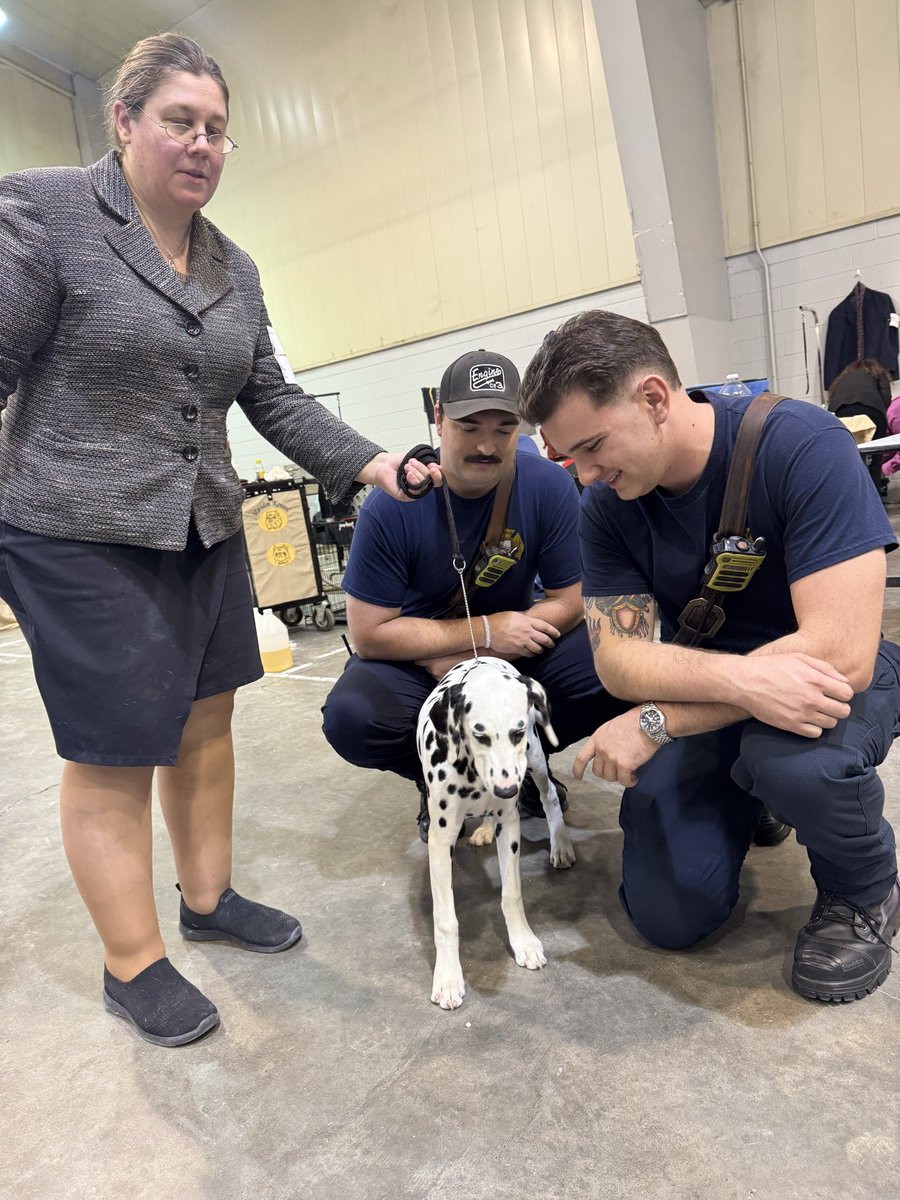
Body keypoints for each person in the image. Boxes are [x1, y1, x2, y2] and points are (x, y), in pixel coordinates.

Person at [0, 33, 439, 1048]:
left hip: (200, 525)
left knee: (205, 726)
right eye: (179, 122)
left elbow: (272, 396)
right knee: (113, 752)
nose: (202, 144)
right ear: (125, 122)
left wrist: (373, 464)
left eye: (217, 130)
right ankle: (133, 963)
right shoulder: (50, 213)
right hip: (74, 531)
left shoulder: (233, 266)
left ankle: (208, 900)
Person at [519, 310, 900, 1004]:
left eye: (594, 446)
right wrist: (747, 683)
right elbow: (619, 660)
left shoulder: (800, 445)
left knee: (795, 761)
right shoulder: (606, 505)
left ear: (656, 399)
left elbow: (841, 654)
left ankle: (863, 891)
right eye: (568, 457)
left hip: (832, 679)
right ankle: (753, 793)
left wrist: (659, 721)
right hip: (722, 682)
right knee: (671, 915)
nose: (586, 473)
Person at [322, 349, 627, 838]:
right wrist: (482, 634)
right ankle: (441, 781)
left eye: (504, 429)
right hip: (424, 667)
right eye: (470, 427)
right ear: (438, 418)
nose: (487, 446)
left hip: (515, 650)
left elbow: (572, 600)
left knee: (615, 659)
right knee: (355, 715)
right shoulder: (391, 504)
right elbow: (369, 636)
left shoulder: (549, 485)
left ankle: (523, 768)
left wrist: (489, 650)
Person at [827, 357, 892, 493]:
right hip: (872, 410)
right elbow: (886, 396)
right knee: (876, 457)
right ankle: (875, 499)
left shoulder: (842, 379)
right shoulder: (876, 372)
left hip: (842, 413)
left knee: (849, 458)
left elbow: (832, 398)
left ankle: (853, 497)